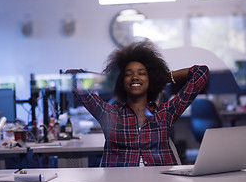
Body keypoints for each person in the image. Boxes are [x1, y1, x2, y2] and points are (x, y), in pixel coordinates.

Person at [66, 40, 209, 167]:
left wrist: (162, 77)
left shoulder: (166, 113)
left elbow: (201, 73)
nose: (135, 77)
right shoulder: (108, 114)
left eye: (141, 73)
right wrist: (112, 79)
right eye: (128, 74)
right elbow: (71, 75)